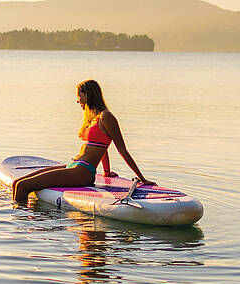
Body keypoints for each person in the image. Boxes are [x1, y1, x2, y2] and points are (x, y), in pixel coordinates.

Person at [9, 79, 152, 206]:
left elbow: (122, 150)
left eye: (79, 96)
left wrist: (142, 179)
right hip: (74, 165)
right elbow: (102, 147)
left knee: (23, 186)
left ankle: (20, 225)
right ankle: (20, 214)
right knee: (17, 183)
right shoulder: (92, 118)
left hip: (83, 172)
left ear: (88, 95)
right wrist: (106, 172)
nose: (77, 100)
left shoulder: (106, 117)